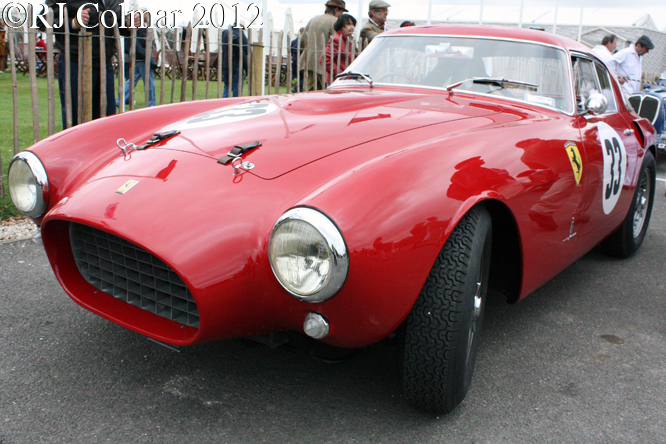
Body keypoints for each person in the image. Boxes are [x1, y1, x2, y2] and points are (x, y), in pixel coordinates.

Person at [40, 1, 139, 128]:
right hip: (75, 63)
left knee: (106, 121)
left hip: (105, 64)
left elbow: (116, 24)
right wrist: (73, 23)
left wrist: (128, 24)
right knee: (76, 122)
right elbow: (42, 21)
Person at [300, 0, 347, 91]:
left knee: (307, 92)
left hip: (309, 61)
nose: (341, 14)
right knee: (327, 92)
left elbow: (302, 41)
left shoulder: (313, 19)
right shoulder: (336, 22)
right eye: (341, 11)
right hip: (325, 65)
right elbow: (338, 43)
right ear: (336, 9)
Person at [123, 17, 157, 107]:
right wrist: (147, 56)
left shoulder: (135, 27)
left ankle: (121, 99)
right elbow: (141, 44)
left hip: (137, 58)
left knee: (132, 80)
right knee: (149, 82)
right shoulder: (141, 28)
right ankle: (151, 103)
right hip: (142, 59)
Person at [325, 14, 356, 84]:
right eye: (348, 24)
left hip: (346, 80)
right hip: (337, 81)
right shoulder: (337, 39)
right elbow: (325, 59)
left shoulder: (348, 40)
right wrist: (339, 73)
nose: (352, 27)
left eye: (353, 24)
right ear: (341, 26)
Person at [221, 25, 249, 98]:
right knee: (237, 86)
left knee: (227, 85)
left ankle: (224, 101)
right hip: (237, 64)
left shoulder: (225, 33)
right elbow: (247, 49)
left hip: (226, 64)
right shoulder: (240, 33)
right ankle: (235, 102)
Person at [291, 27, 304, 92]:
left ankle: (298, 89)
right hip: (300, 60)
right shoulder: (302, 42)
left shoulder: (293, 42)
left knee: (299, 76)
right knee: (303, 77)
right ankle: (296, 89)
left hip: (294, 61)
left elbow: (290, 51)